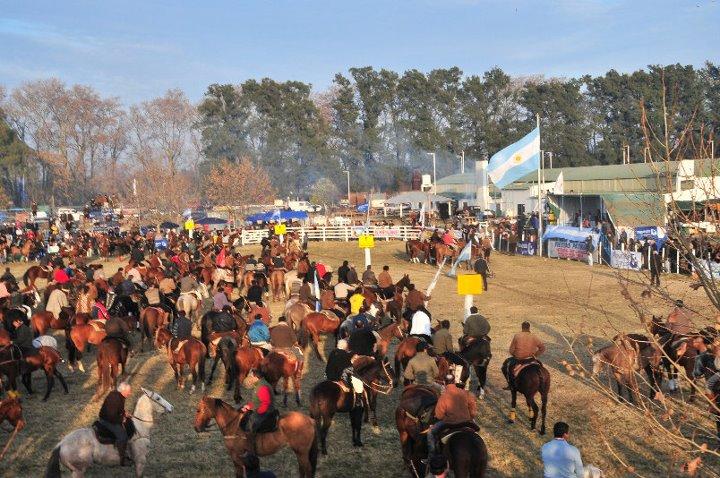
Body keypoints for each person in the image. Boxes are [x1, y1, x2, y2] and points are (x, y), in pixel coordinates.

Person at [427, 372, 478, 456]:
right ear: (454, 381)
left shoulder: (443, 396)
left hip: (449, 423)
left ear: (444, 382)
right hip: (466, 421)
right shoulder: (464, 392)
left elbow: (439, 415)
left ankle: (432, 456)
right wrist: (470, 416)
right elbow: (472, 405)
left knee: (430, 433)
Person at [241, 369, 276, 456]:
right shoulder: (259, 385)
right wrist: (248, 406)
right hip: (261, 409)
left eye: (251, 376)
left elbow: (265, 403)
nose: (250, 378)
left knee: (249, 426)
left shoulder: (262, 387)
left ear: (256, 377)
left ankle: (250, 451)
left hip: (266, 412)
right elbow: (257, 401)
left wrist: (256, 412)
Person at [502, 321, 546, 390]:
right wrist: (535, 355)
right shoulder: (534, 336)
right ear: (529, 328)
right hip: (531, 358)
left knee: (505, 367)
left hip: (519, 359)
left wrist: (515, 355)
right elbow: (542, 348)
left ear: (522, 328)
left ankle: (510, 385)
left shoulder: (517, 336)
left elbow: (511, 350)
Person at [98, 382, 133, 466]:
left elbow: (118, 409)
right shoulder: (115, 398)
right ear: (123, 390)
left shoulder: (120, 396)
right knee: (122, 436)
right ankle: (122, 459)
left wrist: (125, 413)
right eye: (129, 391)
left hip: (112, 418)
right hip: (106, 420)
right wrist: (122, 419)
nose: (130, 393)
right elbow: (111, 416)